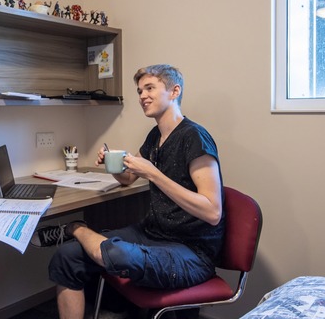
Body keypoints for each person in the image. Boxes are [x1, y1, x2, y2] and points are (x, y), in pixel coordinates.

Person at [43, 64, 225, 319]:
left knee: (116, 254)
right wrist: (113, 166)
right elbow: (128, 178)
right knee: (66, 255)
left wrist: (153, 173)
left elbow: (213, 212)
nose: (142, 96)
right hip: (152, 233)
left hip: (191, 249)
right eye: (139, 91)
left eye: (150, 88)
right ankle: (78, 234)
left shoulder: (194, 137)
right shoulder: (155, 136)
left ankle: (75, 227)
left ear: (174, 91)